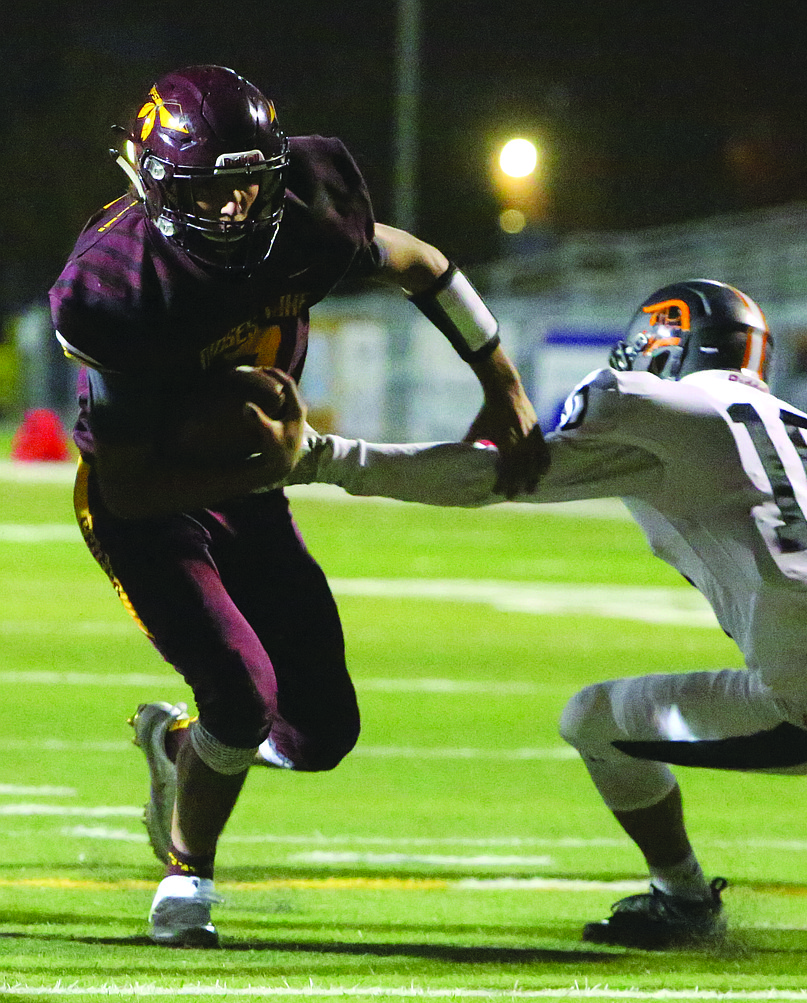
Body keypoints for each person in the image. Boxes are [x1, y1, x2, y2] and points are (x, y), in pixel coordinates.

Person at [286, 279, 807, 963]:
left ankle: (682, 902)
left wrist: (325, 460)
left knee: (595, 721)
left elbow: (487, 478)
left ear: (675, 341)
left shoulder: (649, 405)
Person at [48, 64, 548, 948]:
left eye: (251, 183)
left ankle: (180, 751)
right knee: (240, 693)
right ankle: (187, 875)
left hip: (251, 482)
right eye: (214, 191)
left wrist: (501, 382)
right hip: (145, 497)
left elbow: (420, 266)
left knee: (319, 734)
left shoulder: (309, 208)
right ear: (155, 187)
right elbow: (129, 482)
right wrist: (281, 461)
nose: (238, 208)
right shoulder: (116, 286)